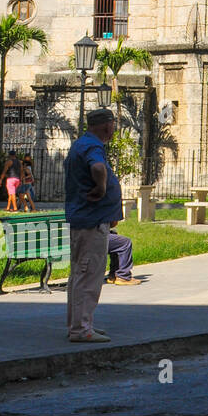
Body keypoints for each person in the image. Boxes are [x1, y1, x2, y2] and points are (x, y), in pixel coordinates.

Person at [65, 108, 122, 343]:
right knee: (89, 276)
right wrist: (101, 188)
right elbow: (97, 168)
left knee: (80, 274)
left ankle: (79, 324)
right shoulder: (93, 146)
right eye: (113, 125)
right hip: (91, 222)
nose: (114, 129)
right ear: (107, 126)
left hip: (88, 220)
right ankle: (81, 329)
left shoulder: (82, 143)